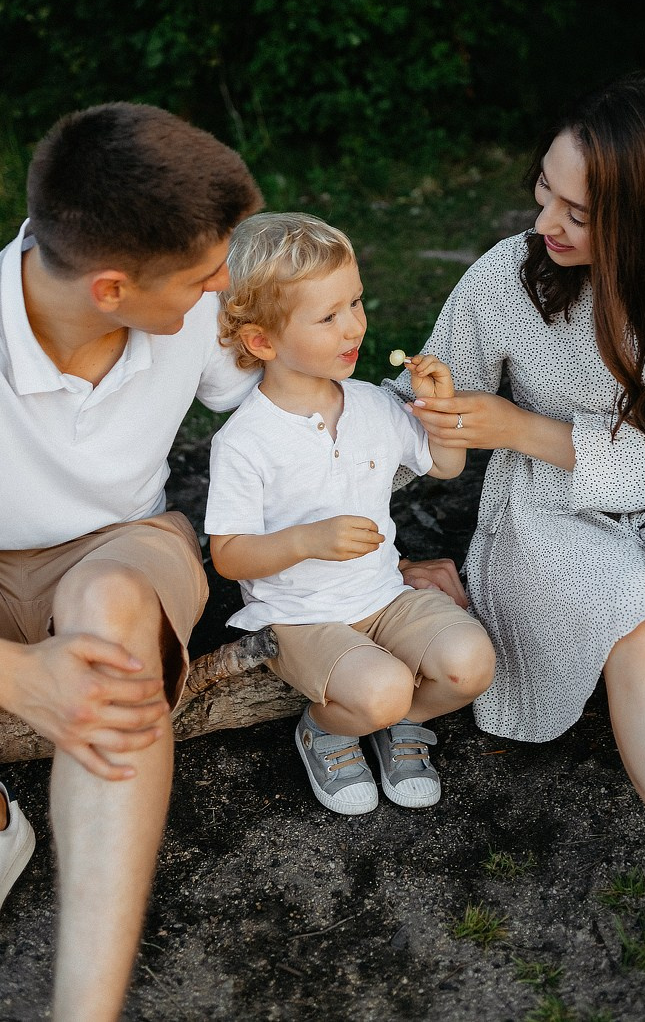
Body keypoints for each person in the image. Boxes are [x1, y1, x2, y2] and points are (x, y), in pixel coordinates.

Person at [388, 72, 645, 1018]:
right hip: (542, 515)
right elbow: (415, 430)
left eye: (580, 211)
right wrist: (351, 524)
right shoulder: (508, 277)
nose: (547, 220)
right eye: (544, 190)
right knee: (640, 627)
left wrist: (519, 425)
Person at [0, 102, 262, 1019]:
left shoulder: (190, 305)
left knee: (111, 609)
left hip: (122, 548)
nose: (224, 285)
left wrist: (387, 547)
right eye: (203, 275)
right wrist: (13, 672)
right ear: (110, 287)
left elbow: (292, 398)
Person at [205, 212, 495, 816]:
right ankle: (328, 730)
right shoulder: (245, 441)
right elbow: (229, 555)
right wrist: (306, 539)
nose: (354, 326)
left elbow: (445, 468)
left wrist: (440, 411)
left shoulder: (370, 405)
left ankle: (399, 721)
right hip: (301, 618)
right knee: (381, 688)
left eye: (356, 303)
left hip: (385, 595)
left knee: (472, 664)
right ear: (262, 342)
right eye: (328, 317)